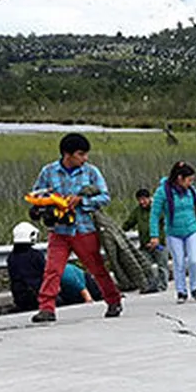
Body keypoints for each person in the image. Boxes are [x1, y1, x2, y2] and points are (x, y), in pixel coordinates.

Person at [28, 133, 123, 323]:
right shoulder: (48, 172)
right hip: (59, 231)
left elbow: (105, 197)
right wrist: (46, 204)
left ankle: (113, 300)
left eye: (86, 154)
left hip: (84, 229)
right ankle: (46, 308)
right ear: (67, 154)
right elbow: (36, 194)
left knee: (96, 268)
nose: (85, 158)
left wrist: (81, 201)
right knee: (52, 270)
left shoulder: (91, 172)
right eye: (81, 154)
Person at [150, 161, 196, 303]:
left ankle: (195, 288)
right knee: (179, 262)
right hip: (173, 232)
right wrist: (154, 235)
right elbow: (154, 214)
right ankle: (181, 291)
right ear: (179, 178)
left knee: (194, 260)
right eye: (189, 180)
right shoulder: (162, 192)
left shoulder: (191, 191)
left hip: (191, 230)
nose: (191, 183)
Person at [122, 187, 167, 291]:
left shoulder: (158, 208)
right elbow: (129, 223)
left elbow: (166, 225)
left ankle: (161, 285)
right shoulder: (137, 211)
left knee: (161, 266)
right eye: (139, 200)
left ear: (149, 198)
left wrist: (157, 239)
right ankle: (150, 285)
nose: (142, 202)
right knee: (145, 266)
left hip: (159, 244)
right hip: (144, 245)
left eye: (144, 199)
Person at [6, 222, 45, 312]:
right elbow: (45, 273)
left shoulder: (11, 257)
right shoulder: (36, 255)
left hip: (20, 298)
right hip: (38, 296)